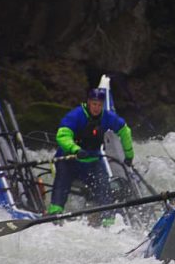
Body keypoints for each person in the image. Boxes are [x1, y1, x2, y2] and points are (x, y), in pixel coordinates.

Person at [47, 88, 135, 223]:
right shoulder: (75, 116)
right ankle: (54, 213)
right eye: (94, 104)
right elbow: (62, 135)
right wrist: (75, 149)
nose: (96, 108)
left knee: (103, 188)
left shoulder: (107, 117)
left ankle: (109, 222)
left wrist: (128, 155)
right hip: (70, 160)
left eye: (99, 105)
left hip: (93, 161)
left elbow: (125, 131)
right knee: (62, 183)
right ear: (88, 103)